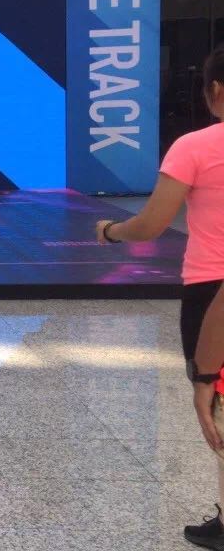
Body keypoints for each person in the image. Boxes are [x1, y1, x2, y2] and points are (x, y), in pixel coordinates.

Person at [97, 43, 224, 550]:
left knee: (216, 405)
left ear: (216, 90)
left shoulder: (195, 146)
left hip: (212, 292)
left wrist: (110, 232)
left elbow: (150, 224)